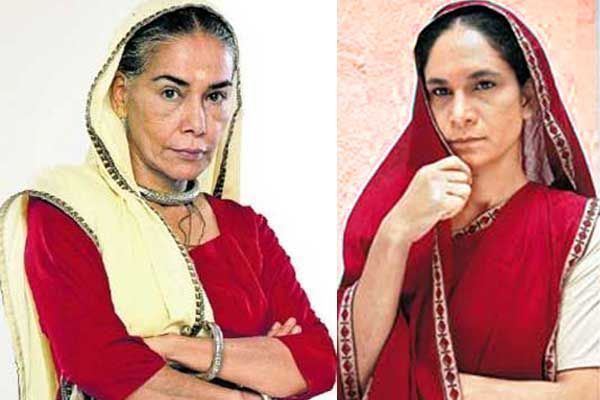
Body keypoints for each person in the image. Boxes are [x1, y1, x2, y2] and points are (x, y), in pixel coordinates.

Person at [0, 1, 336, 399]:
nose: (197, 123)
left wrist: (170, 348)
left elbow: (318, 361)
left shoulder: (246, 229)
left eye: (215, 96)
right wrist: (251, 378)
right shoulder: (67, 213)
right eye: (171, 92)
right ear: (122, 96)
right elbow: (100, 366)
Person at [337, 1, 599, 399]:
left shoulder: (576, 229)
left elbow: (584, 392)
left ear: (528, 98)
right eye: (441, 92)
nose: (459, 114)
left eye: (483, 85)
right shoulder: (397, 216)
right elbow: (350, 373)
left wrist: (425, 385)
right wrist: (395, 233)